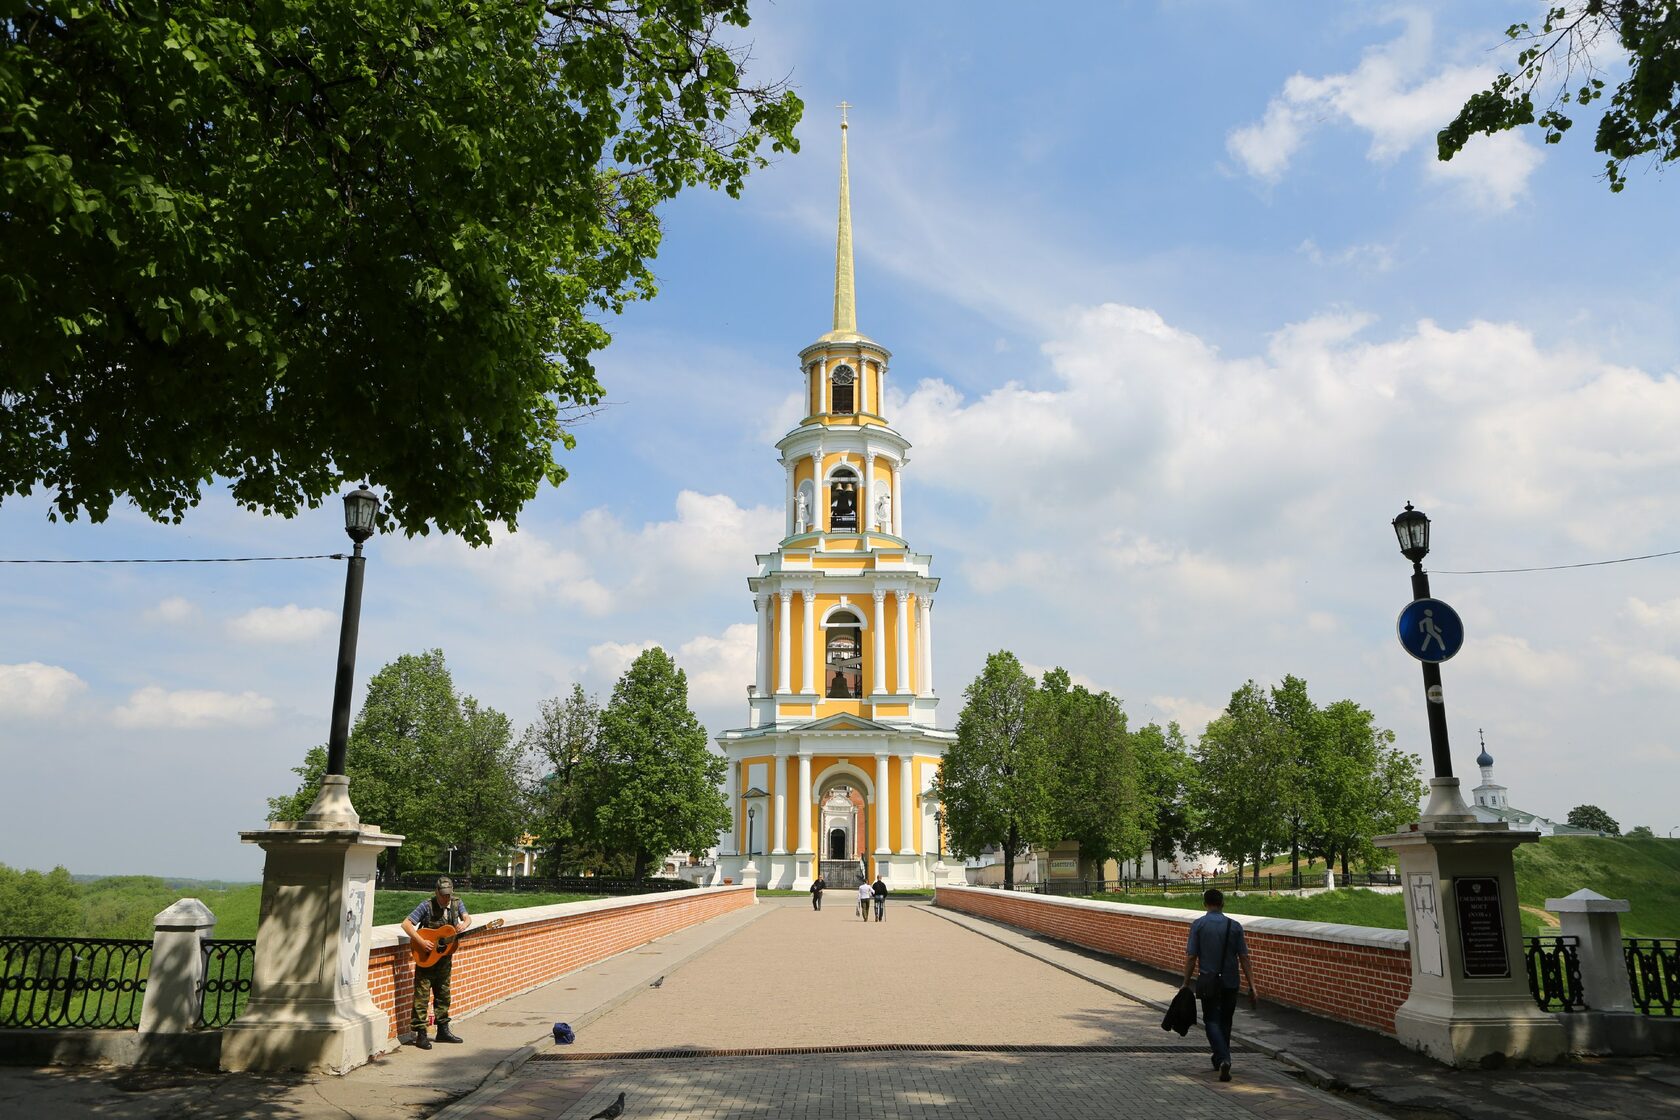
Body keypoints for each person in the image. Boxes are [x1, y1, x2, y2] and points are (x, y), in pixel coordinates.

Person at [1181, 888, 1256, 1082]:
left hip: (1208, 981)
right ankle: (1220, 1057)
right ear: (1223, 903)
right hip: (1231, 981)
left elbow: (1191, 957)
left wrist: (1185, 983)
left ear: (1204, 904)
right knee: (1226, 1021)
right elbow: (1244, 957)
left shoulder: (1198, 925)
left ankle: (1223, 1058)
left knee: (1211, 1020)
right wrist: (1253, 985)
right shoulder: (1235, 926)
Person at [401, 876, 471, 1049]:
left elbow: (467, 918)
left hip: (445, 959)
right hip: (426, 958)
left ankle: (443, 1030)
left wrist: (465, 924)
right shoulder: (426, 905)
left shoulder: (456, 904)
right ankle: (421, 1034)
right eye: (443, 895)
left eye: (448, 895)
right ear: (436, 892)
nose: (446, 898)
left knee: (443, 994)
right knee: (422, 996)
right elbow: (406, 924)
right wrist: (421, 941)